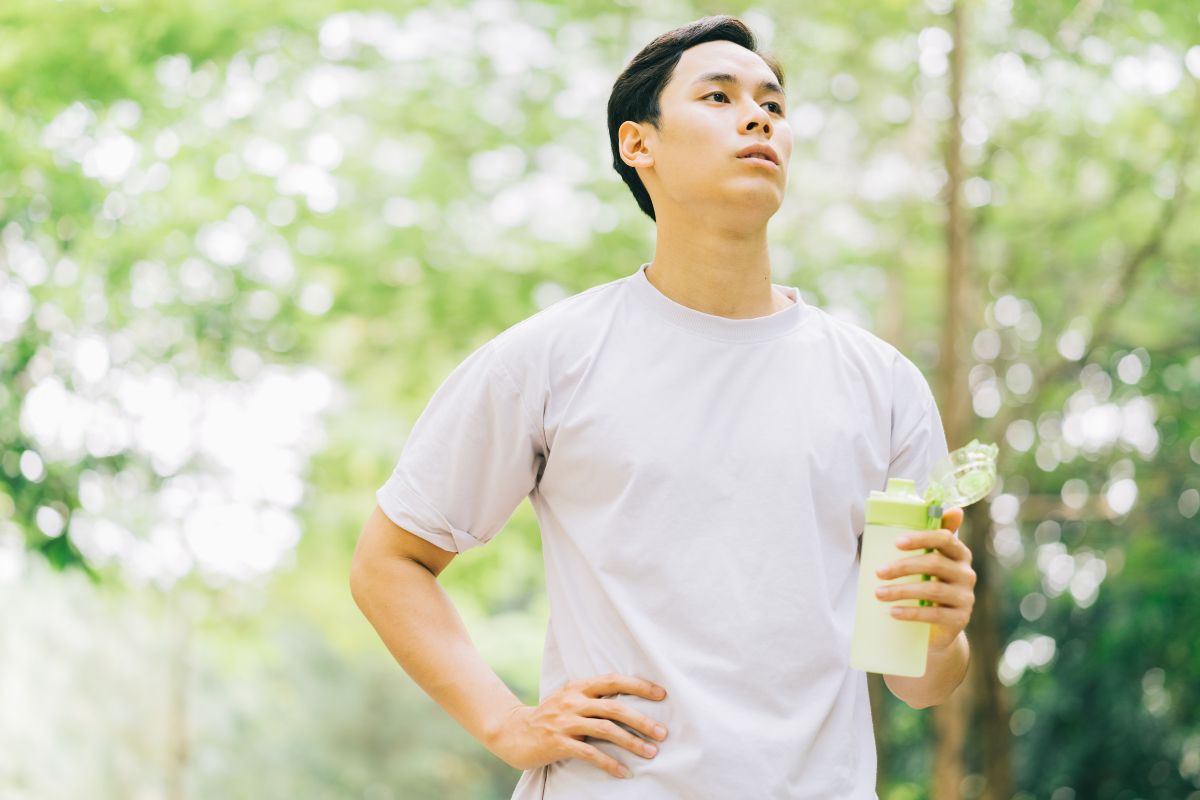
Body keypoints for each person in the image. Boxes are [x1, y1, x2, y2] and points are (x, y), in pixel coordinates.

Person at [350, 14, 977, 799]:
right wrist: (508, 725)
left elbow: (916, 679)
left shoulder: (882, 385)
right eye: (718, 96)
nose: (757, 117)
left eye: (773, 107)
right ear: (636, 144)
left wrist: (943, 633)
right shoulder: (550, 359)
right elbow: (389, 563)